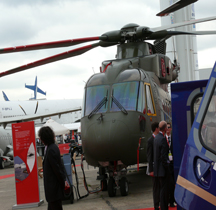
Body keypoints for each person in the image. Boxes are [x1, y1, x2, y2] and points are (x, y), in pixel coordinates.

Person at [38, 126, 65, 210]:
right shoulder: (51, 147)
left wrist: (62, 183)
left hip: (54, 190)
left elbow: (57, 170)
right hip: (54, 190)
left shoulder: (51, 150)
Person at [153, 121, 169, 210]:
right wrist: (167, 166)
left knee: (160, 189)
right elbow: (163, 156)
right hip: (162, 169)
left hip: (157, 169)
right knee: (163, 190)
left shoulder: (156, 138)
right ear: (165, 128)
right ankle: (164, 207)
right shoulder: (162, 139)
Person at [147, 122, 160, 210]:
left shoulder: (160, 138)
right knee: (155, 187)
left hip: (161, 167)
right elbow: (149, 156)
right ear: (156, 128)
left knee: (161, 186)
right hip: (154, 167)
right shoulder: (150, 140)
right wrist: (151, 170)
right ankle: (156, 205)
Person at [166, 122, 175, 207]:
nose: (167, 129)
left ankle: (172, 200)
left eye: (169, 127)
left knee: (173, 183)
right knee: (169, 183)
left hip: (173, 163)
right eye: (166, 127)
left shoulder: (173, 138)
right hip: (167, 164)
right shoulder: (163, 139)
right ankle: (168, 200)